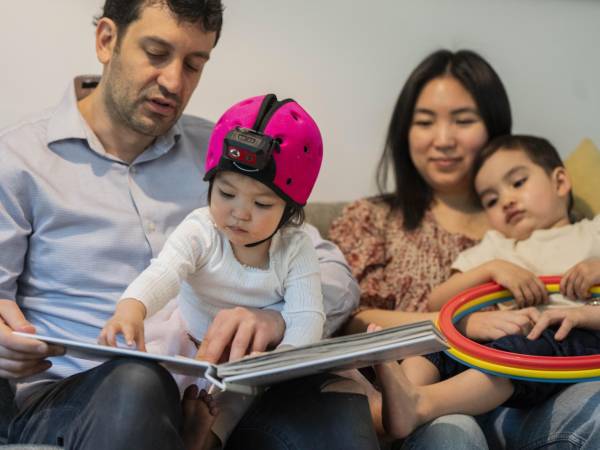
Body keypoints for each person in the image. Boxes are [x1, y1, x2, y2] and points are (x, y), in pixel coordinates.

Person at [0, 1, 377, 449]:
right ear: (106, 40)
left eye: (194, 64)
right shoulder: (18, 162)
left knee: (335, 406)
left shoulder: (229, 154)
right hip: (73, 395)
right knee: (140, 383)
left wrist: (275, 319)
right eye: (157, 53)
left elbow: (331, 272)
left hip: (224, 387)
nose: (175, 82)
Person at [329, 49, 600, 449]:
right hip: (451, 359)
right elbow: (351, 319)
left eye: (464, 120)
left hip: (540, 371)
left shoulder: (573, 227)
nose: (443, 139)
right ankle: (400, 400)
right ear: (405, 132)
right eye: (425, 122)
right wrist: (455, 324)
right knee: (452, 418)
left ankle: (415, 401)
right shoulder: (378, 219)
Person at [99, 94, 327, 447]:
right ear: (210, 183)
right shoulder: (201, 229)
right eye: (226, 193)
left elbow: (307, 316)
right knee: (153, 384)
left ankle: (202, 439)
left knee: (240, 398)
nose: (240, 212)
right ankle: (178, 424)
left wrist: (283, 361)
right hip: (185, 341)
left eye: (262, 203)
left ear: (290, 209)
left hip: (246, 360)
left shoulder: (295, 249)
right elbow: (165, 272)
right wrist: (132, 307)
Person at [374, 134, 600, 439]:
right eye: (491, 200)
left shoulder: (593, 232)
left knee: (527, 346)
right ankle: (401, 396)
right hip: (518, 342)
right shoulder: (498, 246)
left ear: (560, 182)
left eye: (518, 182)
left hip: (577, 341)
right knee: (440, 337)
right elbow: (438, 301)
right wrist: (492, 268)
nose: (506, 200)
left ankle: (420, 404)